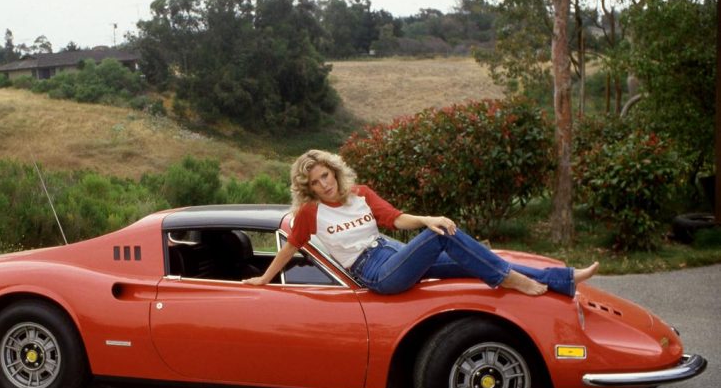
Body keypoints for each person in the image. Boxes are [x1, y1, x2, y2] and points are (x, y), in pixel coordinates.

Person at [244, 150, 598, 296]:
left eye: (326, 175)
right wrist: (264, 278)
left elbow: (395, 219)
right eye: (316, 182)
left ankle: (563, 279)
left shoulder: (360, 194)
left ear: (334, 172)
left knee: (472, 258)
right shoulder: (311, 213)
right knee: (441, 235)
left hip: (393, 252)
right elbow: (291, 246)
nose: (325, 185)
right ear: (308, 188)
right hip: (376, 273)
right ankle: (509, 279)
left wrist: (425, 218)